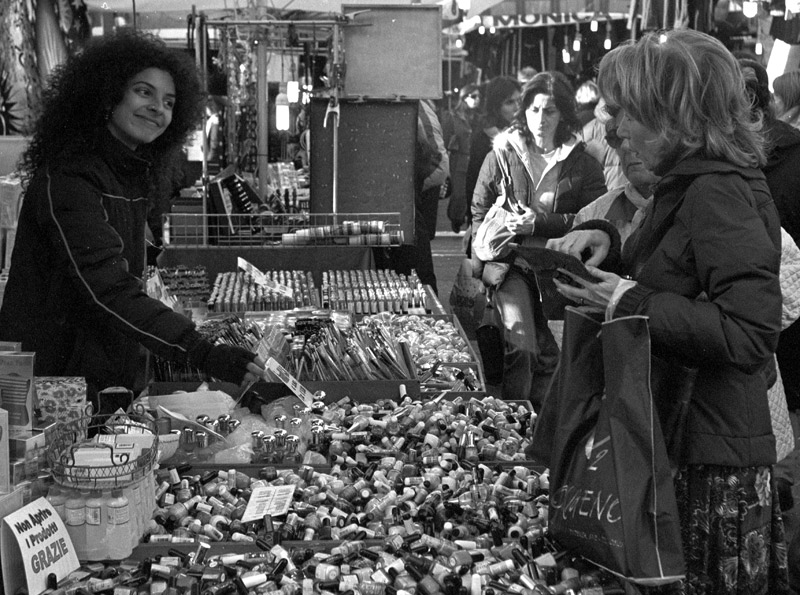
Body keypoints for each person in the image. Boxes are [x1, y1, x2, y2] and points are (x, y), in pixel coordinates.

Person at [548, 30, 789, 593]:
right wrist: (607, 238)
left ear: (678, 115)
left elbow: (751, 332)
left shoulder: (716, 191)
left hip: (711, 456)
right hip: (690, 439)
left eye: (630, 112)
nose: (615, 129)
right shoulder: (688, 186)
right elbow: (680, 276)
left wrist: (626, 300)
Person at [0, 29, 265, 409]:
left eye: (170, 101)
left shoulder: (133, 174)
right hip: (54, 387)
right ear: (109, 95)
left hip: (104, 377)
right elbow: (107, 287)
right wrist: (201, 351)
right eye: (144, 92)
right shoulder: (70, 176)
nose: (158, 108)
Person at [471, 71, 606, 406]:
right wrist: (480, 266)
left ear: (563, 114)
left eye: (549, 111)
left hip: (557, 268)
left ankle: (540, 429)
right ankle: (515, 422)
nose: (540, 119)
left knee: (551, 356)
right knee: (520, 345)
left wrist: (541, 224)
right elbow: (479, 208)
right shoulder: (503, 153)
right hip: (511, 264)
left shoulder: (583, 161)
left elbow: (597, 219)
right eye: (533, 110)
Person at [464, 76, 522, 234]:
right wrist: (474, 222)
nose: (517, 107)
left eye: (519, 100)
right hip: (492, 222)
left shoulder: (525, 133)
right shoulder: (485, 139)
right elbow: (474, 183)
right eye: (509, 102)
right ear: (496, 107)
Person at [442, 83, 480, 232]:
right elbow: (444, 140)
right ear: (464, 98)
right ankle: (455, 217)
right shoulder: (452, 117)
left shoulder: (477, 117)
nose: (477, 100)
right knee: (459, 194)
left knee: (473, 194)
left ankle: (467, 219)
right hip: (459, 160)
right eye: (473, 96)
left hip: (475, 160)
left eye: (478, 97)